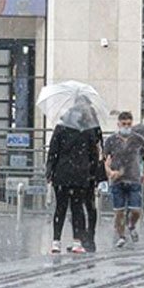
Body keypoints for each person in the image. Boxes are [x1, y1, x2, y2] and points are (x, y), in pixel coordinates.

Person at [46, 100, 102, 254]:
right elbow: (93, 154)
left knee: (60, 207)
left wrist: (49, 171)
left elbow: (53, 151)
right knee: (77, 208)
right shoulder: (87, 130)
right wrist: (92, 173)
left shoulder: (60, 128)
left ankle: (56, 241)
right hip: (80, 175)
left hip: (62, 173)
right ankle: (77, 240)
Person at [104, 111, 144, 248]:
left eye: (129, 124)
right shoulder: (111, 140)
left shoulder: (138, 139)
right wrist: (110, 172)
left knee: (136, 210)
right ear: (118, 124)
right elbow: (105, 160)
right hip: (117, 180)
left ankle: (131, 225)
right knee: (119, 212)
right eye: (124, 124)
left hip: (134, 178)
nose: (126, 126)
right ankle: (121, 236)